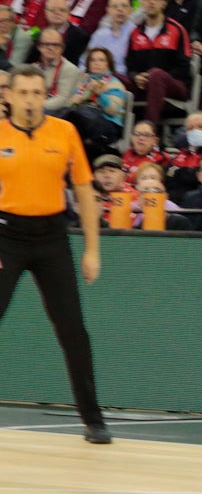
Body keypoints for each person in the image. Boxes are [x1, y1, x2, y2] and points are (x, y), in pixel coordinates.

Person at [0, 64, 111, 444]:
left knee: (72, 330)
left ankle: (93, 419)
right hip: (6, 236)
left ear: (45, 94)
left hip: (52, 238)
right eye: (24, 93)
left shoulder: (64, 132)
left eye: (37, 93)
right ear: (9, 95)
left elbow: (83, 190)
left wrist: (92, 250)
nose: (31, 100)